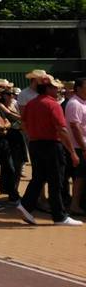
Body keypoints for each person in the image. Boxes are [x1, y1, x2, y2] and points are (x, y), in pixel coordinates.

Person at [17, 75, 82, 225]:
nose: (57, 89)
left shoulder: (31, 104)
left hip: (34, 144)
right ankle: (59, 216)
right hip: (52, 145)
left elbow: (24, 124)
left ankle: (26, 205)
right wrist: (72, 152)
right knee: (56, 180)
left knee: (39, 177)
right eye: (54, 87)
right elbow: (61, 129)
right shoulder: (53, 105)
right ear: (47, 88)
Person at [64, 77, 86, 215]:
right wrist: (84, 148)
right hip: (79, 147)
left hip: (82, 146)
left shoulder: (83, 102)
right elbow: (75, 126)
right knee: (80, 177)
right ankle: (74, 205)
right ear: (78, 88)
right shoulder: (74, 104)